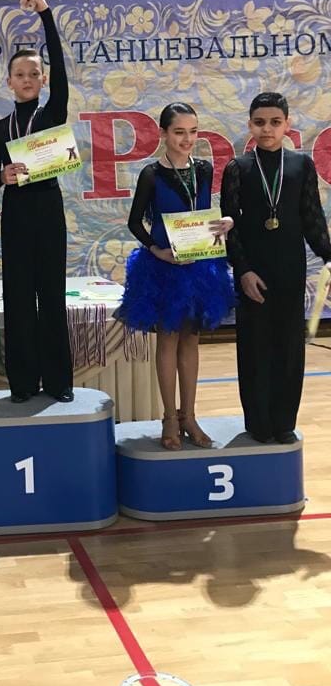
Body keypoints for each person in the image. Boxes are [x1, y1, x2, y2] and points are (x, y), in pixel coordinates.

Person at [116, 102, 235, 450]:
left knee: (191, 339)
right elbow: (135, 222)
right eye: (179, 132)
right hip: (164, 266)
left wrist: (226, 222)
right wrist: (157, 250)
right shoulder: (152, 174)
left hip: (199, 267)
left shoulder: (204, 168)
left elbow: (209, 212)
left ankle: (190, 416)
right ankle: (169, 417)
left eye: (193, 132)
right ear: (163, 133)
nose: (187, 139)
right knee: (168, 339)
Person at [221, 92, 331, 444]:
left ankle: (284, 422)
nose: (266, 129)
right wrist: (243, 271)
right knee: (255, 347)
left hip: (290, 270)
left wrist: (328, 256)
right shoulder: (238, 168)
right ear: (249, 125)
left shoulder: (301, 166)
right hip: (253, 273)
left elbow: (312, 218)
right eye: (259, 123)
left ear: (287, 124)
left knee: (289, 347)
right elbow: (230, 226)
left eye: (274, 122)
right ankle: (258, 423)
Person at [0, 0, 73, 403]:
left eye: (33, 73)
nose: (26, 79)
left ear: (44, 79)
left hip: (49, 210)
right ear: (9, 82)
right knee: (19, 298)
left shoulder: (52, 113)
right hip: (16, 214)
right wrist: (1, 177)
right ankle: (22, 383)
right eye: (19, 74)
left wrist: (46, 15)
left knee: (51, 296)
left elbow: (59, 61)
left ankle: (58, 382)